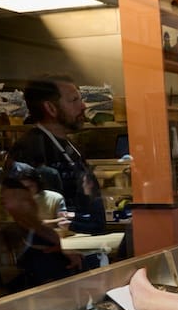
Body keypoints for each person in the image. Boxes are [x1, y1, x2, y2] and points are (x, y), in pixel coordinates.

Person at [6, 74, 106, 236]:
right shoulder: (29, 149)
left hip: (81, 245)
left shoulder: (71, 146)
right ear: (51, 108)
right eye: (74, 100)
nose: (83, 106)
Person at [0, 177, 82, 289]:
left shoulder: (38, 232)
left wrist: (63, 247)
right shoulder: (5, 233)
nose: (29, 201)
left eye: (27, 197)